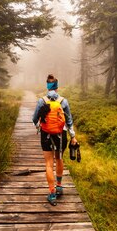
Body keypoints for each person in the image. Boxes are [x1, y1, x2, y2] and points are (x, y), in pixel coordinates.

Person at [32, 74, 78, 206]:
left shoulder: (42, 100)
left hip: (46, 134)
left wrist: (39, 126)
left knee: (48, 164)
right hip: (60, 134)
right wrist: (73, 136)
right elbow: (69, 121)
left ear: (47, 86)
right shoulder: (63, 101)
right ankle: (58, 186)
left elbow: (34, 119)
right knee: (59, 159)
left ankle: (52, 194)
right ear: (57, 87)